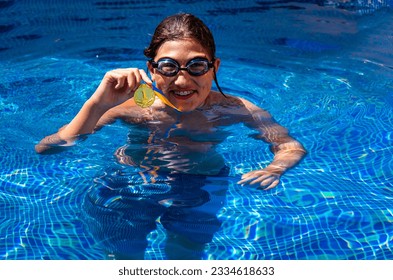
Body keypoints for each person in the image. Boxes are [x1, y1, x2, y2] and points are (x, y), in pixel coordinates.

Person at [35, 13, 306, 259]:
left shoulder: (234, 109)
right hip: (132, 182)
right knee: (123, 258)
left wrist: (275, 169)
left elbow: (289, 146)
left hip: (200, 184)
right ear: (152, 69)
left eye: (197, 65)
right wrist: (97, 103)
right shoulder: (134, 109)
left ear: (215, 67)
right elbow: (50, 148)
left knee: (185, 258)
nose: (182, 80)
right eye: (168, 66)